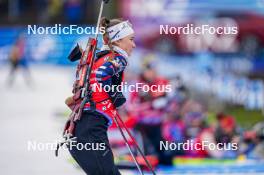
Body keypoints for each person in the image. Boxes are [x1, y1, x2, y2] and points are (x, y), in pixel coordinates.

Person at [65, 17, 136, 175]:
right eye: (131, 39)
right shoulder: (118, 58)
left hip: (79, 127)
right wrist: (114, 95)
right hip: (90, 126)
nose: (134, 44)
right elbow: (100, 75)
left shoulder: (100, 56)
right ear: (117, 41)